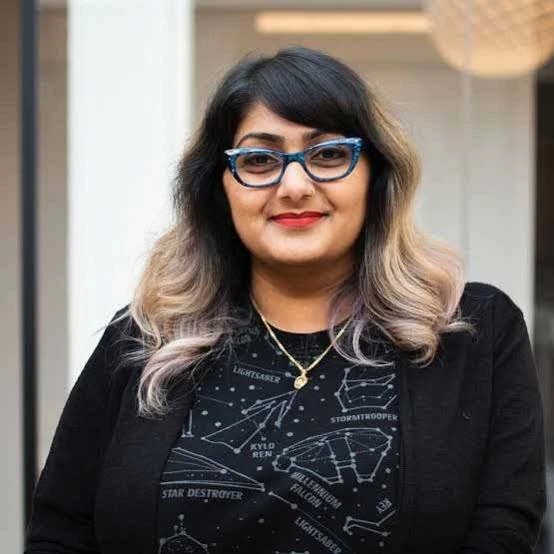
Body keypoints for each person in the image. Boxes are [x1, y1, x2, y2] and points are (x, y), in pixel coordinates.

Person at [25, 46, 546, 554]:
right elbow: (60, 532)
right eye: (258, 160)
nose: (294, 185)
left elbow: (503, 532)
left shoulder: (473, 332)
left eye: (329, 154)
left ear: (376, 175)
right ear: (220, 188)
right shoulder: (145, 338)